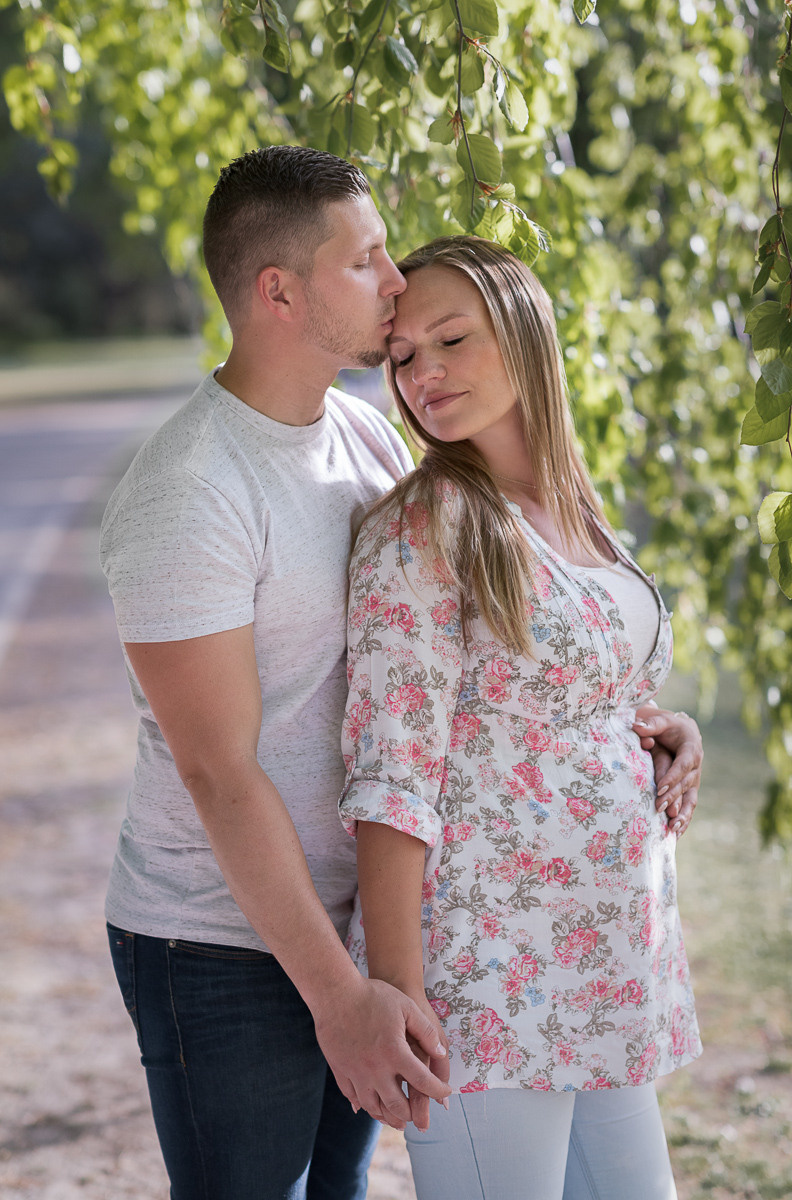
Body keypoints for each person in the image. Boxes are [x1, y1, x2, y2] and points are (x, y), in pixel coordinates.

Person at [100, 146, 700, 1200]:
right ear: (278, 290)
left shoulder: (366, 437)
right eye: (367, 259)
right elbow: (218, 776)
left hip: (355, 922)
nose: (392, 285)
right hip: (226, 944)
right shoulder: (189, 492)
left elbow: (480, 667)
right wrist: (349, 996)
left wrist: (634, 723)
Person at [339, 235, 702, 1199]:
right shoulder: (426, 528)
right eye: (403, 355)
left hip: (604, 969)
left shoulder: (574, 511)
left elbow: (575, 690)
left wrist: (666, 728)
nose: (425, 373)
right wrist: (399, 996)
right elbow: (393, 774)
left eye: (451, 339)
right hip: (490, 982)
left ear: (525, 330)